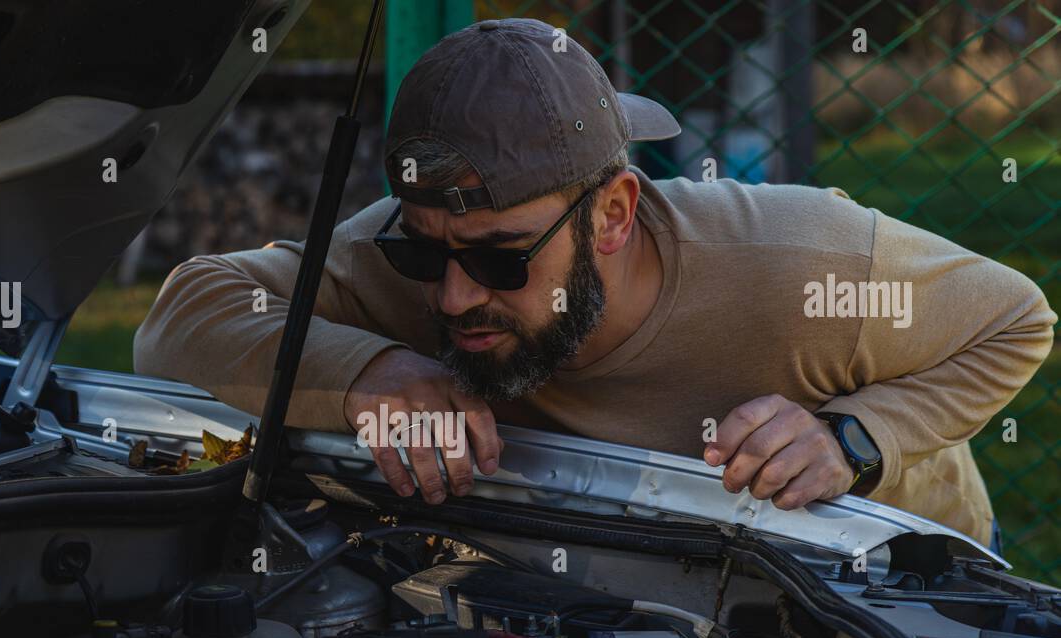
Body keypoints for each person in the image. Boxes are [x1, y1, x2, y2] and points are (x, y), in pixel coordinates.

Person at [134, 18, 1055, 547]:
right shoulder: (413, 251)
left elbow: (1016, 319)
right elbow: (179, 316)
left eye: (502, 260)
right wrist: (370, 374)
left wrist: (855, 436)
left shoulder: (805, 263)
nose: (452, 299)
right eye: (424, 253)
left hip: (907, 588)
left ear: (614, 215)